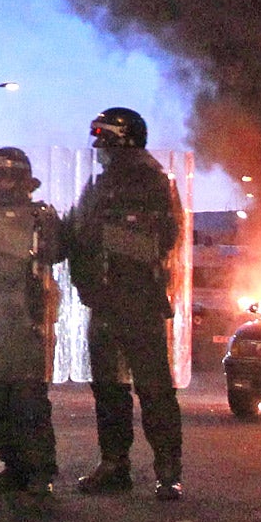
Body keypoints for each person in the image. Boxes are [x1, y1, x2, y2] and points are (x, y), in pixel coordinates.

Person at [66, 106, 185, 501]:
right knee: (108, 388)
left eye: (105, 141)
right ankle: (114, 464)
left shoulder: (153, 182)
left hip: (139, 301)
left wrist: (107, 240)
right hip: (105, 301)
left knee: (153, 389)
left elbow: (163, 239)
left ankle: (167, 470)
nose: (99, 149)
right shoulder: (101, 185)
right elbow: (79, 234)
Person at [0, 146, 63, 496]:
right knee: (0, 397)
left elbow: (61, 251)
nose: (3, 182)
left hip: (27, 321)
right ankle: (13, 465)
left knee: (29, 396)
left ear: (24, 179)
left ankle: (39, 468)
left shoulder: (42, 219)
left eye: (10, 175)